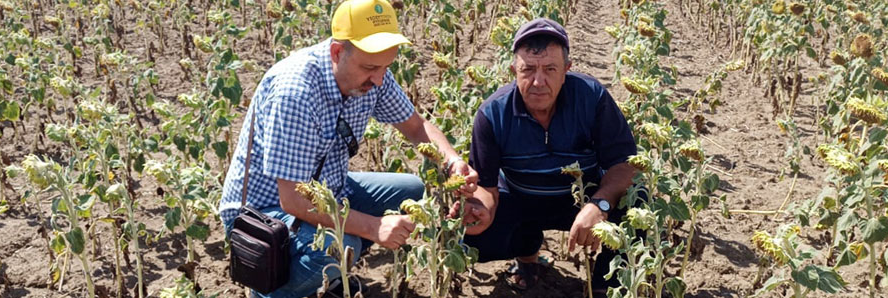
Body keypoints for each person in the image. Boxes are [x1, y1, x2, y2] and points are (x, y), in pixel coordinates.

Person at [216, 0, 478, 297]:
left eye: (385, 67)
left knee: (413, 191)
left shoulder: (373, 74)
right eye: (370, 68)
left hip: (329, 188)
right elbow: (292, 200)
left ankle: (322, 275)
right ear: (337, 52)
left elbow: (416, 127)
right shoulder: (295, 93)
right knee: (341, 244)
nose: (379, 79)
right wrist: (374, 226)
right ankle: (271, 288)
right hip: (264, 216)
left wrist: (452, 161)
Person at [459, 18, 639, 293]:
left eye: (550, 69)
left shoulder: (592, 98)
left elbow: (624, 164)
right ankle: (527, 253)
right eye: (528, 69)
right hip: (521, 200)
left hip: (583, 199)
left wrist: (599, 205)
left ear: (566, 70)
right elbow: (487, 187)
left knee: (638, 204)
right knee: (472, 239)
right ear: (513, 70)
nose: (538, 81)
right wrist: (479, 209)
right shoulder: (492, 114)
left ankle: (608, 283)